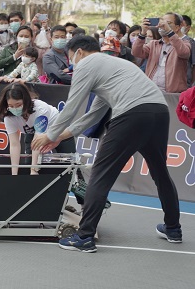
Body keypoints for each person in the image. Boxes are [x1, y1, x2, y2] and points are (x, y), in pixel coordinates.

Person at [32, 35, 182, 253]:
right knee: (160, 173)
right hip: (159, 111)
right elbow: (93, 114)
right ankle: (173, 229)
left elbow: (72, 107)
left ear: (79, 52)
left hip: (131, 114)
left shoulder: (87, 64)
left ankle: (84, 237)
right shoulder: (114, 67)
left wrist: (49, 134)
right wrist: (62, 135)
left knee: (101, 174)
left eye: (71, 56)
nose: (71, 62)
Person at [132, 13, 191, 93]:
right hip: (152, 92)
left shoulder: (185, 43)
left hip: (172, 95)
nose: (162, 25)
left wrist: (169, 31)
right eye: (161, 22)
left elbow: (183, 53)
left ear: (177, 28)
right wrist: (142, 33)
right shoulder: (154, 44)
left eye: (168, 23)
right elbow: (135, 52)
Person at [180, 15, 195, 86]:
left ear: (188, 27)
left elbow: (193, 64)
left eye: (182, 24)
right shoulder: (171, 40)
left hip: (185, 83)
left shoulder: (190, 42)